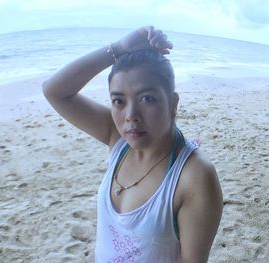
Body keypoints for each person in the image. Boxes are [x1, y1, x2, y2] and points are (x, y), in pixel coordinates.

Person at [42, 26, 223, 262]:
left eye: (147, 98)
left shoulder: (193, 175)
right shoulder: (117, 139)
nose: (131, 115)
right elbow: (54, 91)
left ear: (173, 102)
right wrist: (117, 49)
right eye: (118, 100)